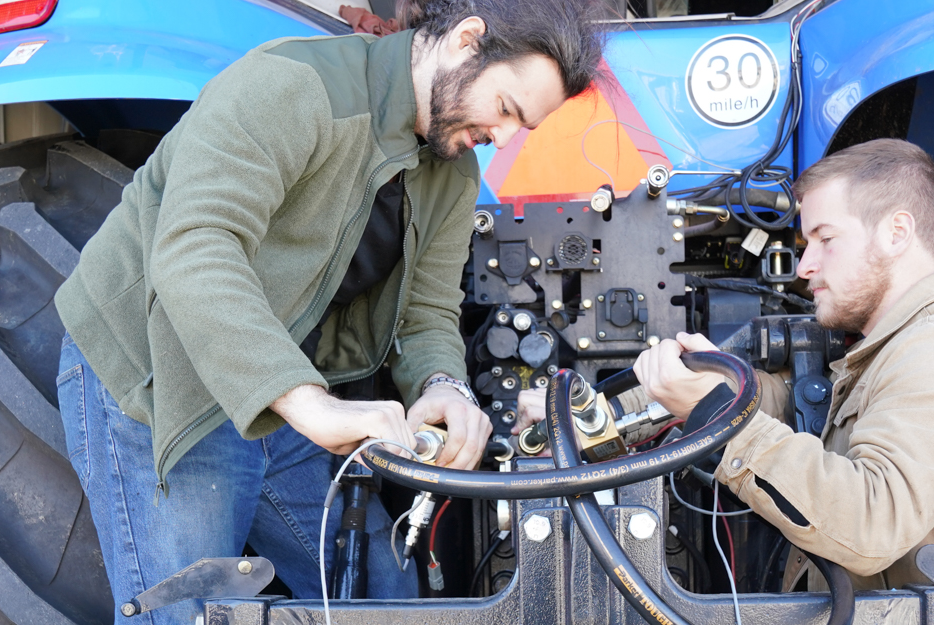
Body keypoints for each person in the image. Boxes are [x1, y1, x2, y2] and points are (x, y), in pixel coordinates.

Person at [51, 1, 607, 621]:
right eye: (506, 110)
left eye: (520, 127)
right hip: (160, 376)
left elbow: (426, 313)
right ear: (466, 41)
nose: (504, 138)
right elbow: (194, 246)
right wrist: (311, 403)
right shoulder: (290, 86)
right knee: (190, 613)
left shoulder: (452, 175)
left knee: (384, 599)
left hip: (279, 386)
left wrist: (443, 384)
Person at [626, 139, 934, 624]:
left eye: (825, 239)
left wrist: (720, 417)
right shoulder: (883, 353)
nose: (804, 267)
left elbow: (871, 522)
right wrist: (610, 406)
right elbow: (775, 402)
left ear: (897, 231)